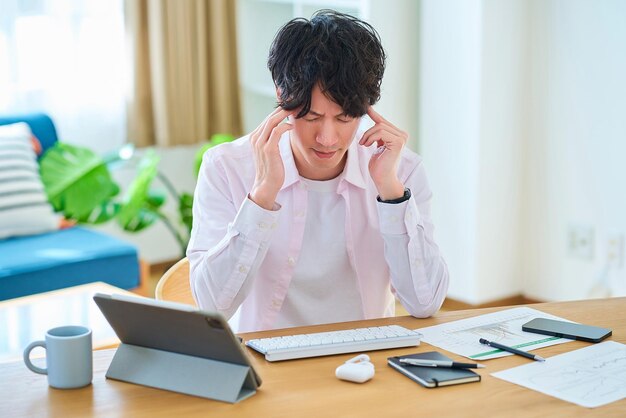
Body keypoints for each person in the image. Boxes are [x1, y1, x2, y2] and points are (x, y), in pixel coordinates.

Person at [187, 10, 449, 333]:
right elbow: (212, 307)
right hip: (264, 366)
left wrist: (391, 194)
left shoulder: (400, 171)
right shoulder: (226, 168)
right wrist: (262, 196)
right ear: (282, 97)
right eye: (311, 117)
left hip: (366, 362)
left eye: (344, 119)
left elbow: (425, 304)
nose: (327, 139)